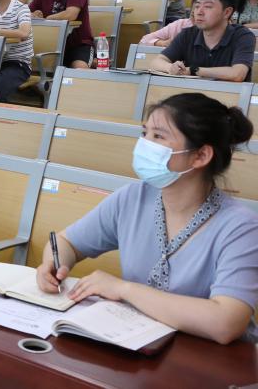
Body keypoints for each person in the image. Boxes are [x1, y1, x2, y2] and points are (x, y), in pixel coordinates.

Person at [35, 93, 258, 345]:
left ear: (200, 156)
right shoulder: (133, 197)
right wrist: (53, 265)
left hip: (210, 358)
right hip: (140, 344)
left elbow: (226, 323)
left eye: (158, 136)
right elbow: (67, 242)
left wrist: (124, 289)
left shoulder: (242, 228)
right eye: (144, 133)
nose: (144, 144)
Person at [151, 0, 255, 82]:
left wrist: (194, 70)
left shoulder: (243, 36)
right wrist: (170, 67)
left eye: (208, 7)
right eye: (197, 6)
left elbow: (237, 74)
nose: (199, 12)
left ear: (227, 12)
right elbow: (156, 62)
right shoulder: (187, 34)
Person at [28, 0, 93, 69]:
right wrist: (33, 15)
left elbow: (70, 15)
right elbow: (24, 13)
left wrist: (47, 18)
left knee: (80, 69)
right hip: (51, 46)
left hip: (78, 45)